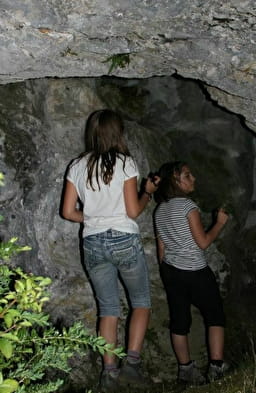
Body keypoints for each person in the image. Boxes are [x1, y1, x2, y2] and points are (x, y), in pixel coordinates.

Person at [61, 109, 158, 392]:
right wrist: (148, 192)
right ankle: (133, 365)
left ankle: (109, 374)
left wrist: (93, 217)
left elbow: (68, 212)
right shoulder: (126, 164)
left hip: (92, 242)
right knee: (140, 301)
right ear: (119, 133)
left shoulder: (77, 166)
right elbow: (133, 211)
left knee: (108, 309)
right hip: (123, 239)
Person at [153, 161, 229, 385]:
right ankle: (216, 367)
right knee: (215, 315)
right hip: (195, 271)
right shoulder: (188, 206)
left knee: (179, 321)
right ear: (175, 180)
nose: (193, 178)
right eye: (187, 175)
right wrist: (219, 222)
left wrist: (168, 271)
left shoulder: (159, 210)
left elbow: (161, 249)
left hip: (170, 270)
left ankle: (186, 370)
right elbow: (203, 242)